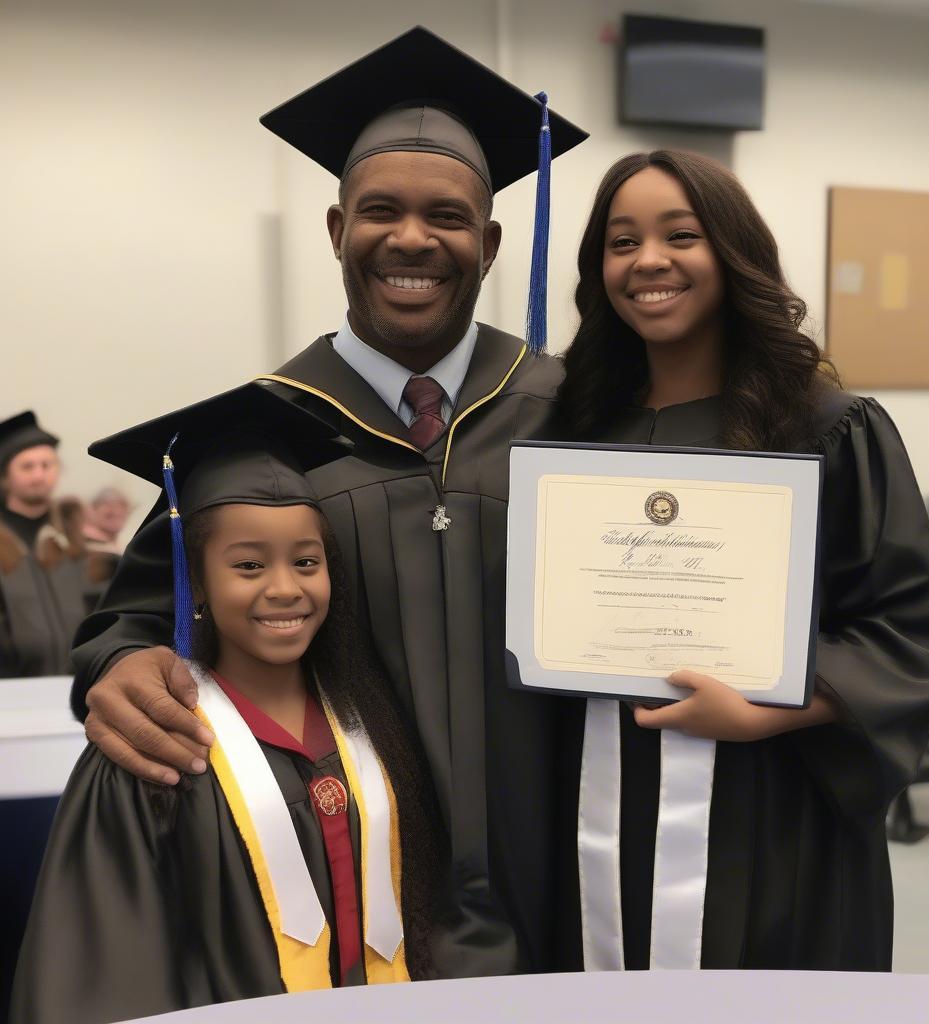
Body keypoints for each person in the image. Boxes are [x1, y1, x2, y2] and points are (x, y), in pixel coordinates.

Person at [68, 27, 587, 977]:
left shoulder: (575, 409)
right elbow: (143, 613)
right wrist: (124, 665)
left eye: (448, 216)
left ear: (491, 241)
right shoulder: (262, 430)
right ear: (338, 229)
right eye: (380, 210)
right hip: (353, 874)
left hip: (569, 869)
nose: (412, 239)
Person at [551, 150, 929, 972]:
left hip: (771, 812)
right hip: (597, 797)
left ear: (733, 253)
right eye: (621, 241)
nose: (649, 261)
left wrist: (762, 713)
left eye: (682, 234)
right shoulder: (572, 431)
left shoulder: (829, 428)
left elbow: (909, 635)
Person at [11, 383, 446, 1024]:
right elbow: (105, 974)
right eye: (247, 566)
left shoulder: (370, 724)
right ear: (195, 581)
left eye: (307, 561)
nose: (284, 588)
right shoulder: (155, 744)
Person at [0, 411, 102, 676]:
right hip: (10, 689)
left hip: (79, 681)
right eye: (27, 466)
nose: (39, 474)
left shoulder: (81, 539)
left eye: (47, 465)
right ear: (5, 476)